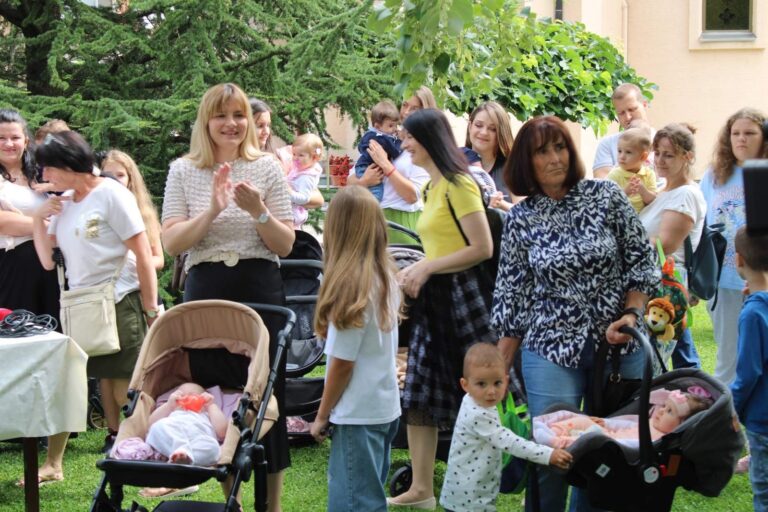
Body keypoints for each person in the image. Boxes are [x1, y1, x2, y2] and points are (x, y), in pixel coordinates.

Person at [491, 115, 659, 512]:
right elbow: (512, 296)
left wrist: (632, 315)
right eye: (542, 151)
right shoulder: (520, 218)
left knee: (614, 454)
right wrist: (499, 367)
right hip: (550, 347)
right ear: (525, 163)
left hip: (620, 344)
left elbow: (642, 262)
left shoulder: (606, 196)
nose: (555, 158)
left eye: (560, 147)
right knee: (553, 455)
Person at [161, 83, 293, 512]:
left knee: (266, 393)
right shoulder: (183, 170)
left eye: (239, 115)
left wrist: (259, 211)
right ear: (207, 121)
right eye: (222, 116)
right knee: (218, 389)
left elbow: (285, 244)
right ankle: (229, 497)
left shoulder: (268, 167)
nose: (232, 124)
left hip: (260, 290)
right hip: (207, 291)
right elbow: (172, 243)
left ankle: (271, 507)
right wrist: (213, 209)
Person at [29, 130, 158, 485]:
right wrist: (39, 219)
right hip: (82, 307)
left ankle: (145, 458)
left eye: (47, 169)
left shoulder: (112, 195)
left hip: (120, 302)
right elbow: (45, 261)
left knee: (124, 389)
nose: (43, 178)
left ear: (68, 164)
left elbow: (144, 255)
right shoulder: (66, 201)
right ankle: (54, 464)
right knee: (69, 383)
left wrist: (151, 309)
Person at [387, 108, 496, 509]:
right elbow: (440, 245)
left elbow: (481, 248)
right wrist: (419, 266)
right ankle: (421, 489)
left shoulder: (458, 184)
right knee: (419, 393)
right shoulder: (433, 187)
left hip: (463, 299)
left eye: (409, 138)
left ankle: (488, 479)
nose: (404, 145)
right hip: (434, 299)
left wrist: (429, 265)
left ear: (429, 139)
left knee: (480, 390)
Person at [309, 185, 403, 512]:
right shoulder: (386, 277)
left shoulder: (350, 290)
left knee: (353, 503)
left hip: (356, 415)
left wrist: (321, 416)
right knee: (370, 496)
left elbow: (341, 364)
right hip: (384, 406)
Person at [440, 343, 571, 512]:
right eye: (482, 384)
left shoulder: (473, 401)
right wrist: (548, 454)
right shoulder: (478, 414)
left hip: (468, 494)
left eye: (497, 383)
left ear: (506, 381)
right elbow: (510, 442)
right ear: (465, 385)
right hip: (469, 502)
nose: (491, 391)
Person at [701, 108, 768, 386]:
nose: (741, 139)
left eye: (750, 133)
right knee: (728, 356)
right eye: (736, 133)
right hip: (725, 278)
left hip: (763, 278)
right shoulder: (715, 176)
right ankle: (724, 418)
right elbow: (701, 226)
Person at [638, 124, 706, 370]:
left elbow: (665, 244)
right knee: (677, 355)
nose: (660, 160)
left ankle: (697, 400)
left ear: (687, 157)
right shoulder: (664, 190)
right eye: (657, 153)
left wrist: (625, 243)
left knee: (663, 358)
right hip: (656, 281)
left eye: (669, 155)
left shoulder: (685, 194)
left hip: (667, 284)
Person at [354, 86, 435, 244]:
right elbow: (350, 181)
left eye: (414, 108)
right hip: (370, 217)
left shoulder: (425, 147)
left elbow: (412, 196)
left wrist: (386, 165)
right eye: (404, 105)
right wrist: (364, 182)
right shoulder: (383, 136)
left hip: (402, 224)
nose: (405, 112)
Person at [0, 109, 59, 324]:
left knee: (56, 330)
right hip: (13, 268)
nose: (8, 144)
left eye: (15, 137)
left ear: (25, 141)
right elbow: (3, 222)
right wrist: (43, 224)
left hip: (53, 264)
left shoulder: (42, 173)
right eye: (1, 138)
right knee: (19, 336)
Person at [731, 227, 768, 512]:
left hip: (762, 421)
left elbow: (748, 373)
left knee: (764, 494)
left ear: (739, 260)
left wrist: (730, 409)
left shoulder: (754, 313)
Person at [535, 390, 712, 449]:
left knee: (588, 437)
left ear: (681, 425)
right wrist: (607, 423)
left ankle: (555, 440)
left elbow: (633, 445)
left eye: (669, 412)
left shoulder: (659, 440)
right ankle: (555, 427)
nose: (660, 411)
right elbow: (627, 423)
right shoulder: (651, 422)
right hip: (608, 433)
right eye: (664, 406)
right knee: (582, 420)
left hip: (610, 446)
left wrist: (608, 436)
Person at [249, 97, 324, 211]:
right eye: (260, 126)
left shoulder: (279, 158)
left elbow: (317, 199)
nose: (266, 131)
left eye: (268, 125)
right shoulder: (236, 162)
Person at [101, 149, 164, 270]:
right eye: (108, 175)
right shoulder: (95, 210)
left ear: (130, 179)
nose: (114, 180)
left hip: (134, 283)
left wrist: (136, 263)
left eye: (120, 175)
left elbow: (158, 259)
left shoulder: (145, 214)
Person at [146, 382, 227, 467]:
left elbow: (222, 432)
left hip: (198, 438)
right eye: (181, 395)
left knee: (213, 449)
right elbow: (151, 424)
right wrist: (168, 405)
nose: (186, 398)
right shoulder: (173, 411)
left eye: (192, 395)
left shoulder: (207, 414)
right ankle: (183, 453)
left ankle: (184, 457)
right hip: (174, 434)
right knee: (157, 428)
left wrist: (211, 406)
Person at [593, 83, 653, 179]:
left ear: (644, 104)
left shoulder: (662, 140)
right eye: (621, 113)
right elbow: (602, 185)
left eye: (632, 109)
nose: (628, 117)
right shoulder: (607, 144)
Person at [463, 101, 516, 210]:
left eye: (493, 129)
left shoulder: (512, 168)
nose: (484, 132)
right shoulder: (453, 162)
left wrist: (500, 204)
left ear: (501, 133)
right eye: (478, 125)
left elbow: (525, 212)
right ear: (470, 127)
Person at [354, 100, 402, 202]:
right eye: (390, 126)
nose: (394, 129)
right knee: (377, 191)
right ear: (377, 126)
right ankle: (372, 206)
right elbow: (395, 152)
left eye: (396, 125)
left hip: (363, 166)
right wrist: (400, 141)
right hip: (366, 167)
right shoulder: (380, 138)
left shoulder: (372, 135)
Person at [605, 127, 657, 214]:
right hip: (620, 218)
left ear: (643, 156)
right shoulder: (614, 175)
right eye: (619, 151)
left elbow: (653, 202)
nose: (622, 156)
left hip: (643, 218)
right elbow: (607, 202)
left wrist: (643, 190)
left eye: (628, 152)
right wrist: (625, 192)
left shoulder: (649, 174)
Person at [287, 133, 324, 229]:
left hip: (293, 215)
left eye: (301, 155)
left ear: (314, 157)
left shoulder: (307, 177)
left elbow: (304, 198)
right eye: (294, 154)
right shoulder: (302, 168)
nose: (295, 158)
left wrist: (288, 192)